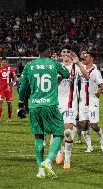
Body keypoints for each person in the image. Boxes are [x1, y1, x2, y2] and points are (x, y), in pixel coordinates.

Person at [18, 44, 70, 179]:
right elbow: (66, 73)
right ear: (49, 51)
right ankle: (49, 160)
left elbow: (23, 86)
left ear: (37, 51)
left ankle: (40, 170)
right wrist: (56, 78)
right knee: (59, 133)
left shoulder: (29, 65)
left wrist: (20, 104)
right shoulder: (53, 63)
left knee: (39, 137)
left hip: (34, 106)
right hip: (50, 104)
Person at [55, 45, 90, 170]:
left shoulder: (75, 66)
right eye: (63, 52)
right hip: (57, 103)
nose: (65, 54)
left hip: (71, 104)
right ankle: (60, 150)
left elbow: (87, 76)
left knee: (68, 131)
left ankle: (67, 160)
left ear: (71, 54)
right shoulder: (56, 67)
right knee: (57, 132)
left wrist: (79, 63)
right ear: (61, 54)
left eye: (67, 52)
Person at [78, 50, 103, 153]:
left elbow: (102, 84)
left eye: (87, 56)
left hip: (92, 101)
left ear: (92, 59)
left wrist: (99, 91)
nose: (84, 58)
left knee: (94, 125)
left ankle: (102, 140)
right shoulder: (81, 69)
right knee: (83, 124)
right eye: (84, 56)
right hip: (82, 101)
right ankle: (89, 145)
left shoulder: (95, 71)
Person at [0, 57, 17, 122]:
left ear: (7, 62)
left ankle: (9, 118)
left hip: (8, 90)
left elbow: (15, 77)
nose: (3, 63)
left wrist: (13, 82)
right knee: (0, 102)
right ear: (0, 63)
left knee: (9, 104)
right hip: (1, 90)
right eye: (2, 62)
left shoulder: (11, 69)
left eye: (4, 62)